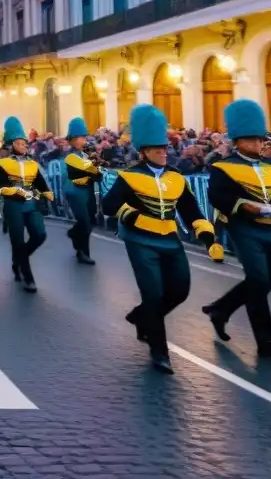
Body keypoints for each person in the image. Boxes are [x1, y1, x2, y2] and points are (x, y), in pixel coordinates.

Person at [101, 105, 216, 374]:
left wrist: (206, 234)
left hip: (170, 239)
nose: (164, 152)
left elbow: (190, 210)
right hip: (140, 241)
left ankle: (142, 317)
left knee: (180, 290)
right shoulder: (129, 176)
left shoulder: (176, 176)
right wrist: (129, 215)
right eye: (157, 149)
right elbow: (108, 206)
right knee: (152, 294)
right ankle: (159, 350)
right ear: (143, 151)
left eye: (164, 148)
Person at [201, 99, 271, 359]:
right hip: (243, 228)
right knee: (259, 279)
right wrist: (246, 207)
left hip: (270, 229)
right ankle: (266, 342)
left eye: (260, 140)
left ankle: (220, 309)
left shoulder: (270, 170)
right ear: (237, 142)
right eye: (251, 140)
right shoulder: (222, 167)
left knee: (268, 280)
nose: (257, 145)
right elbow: (217, 197)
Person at [0, 117, 53, 292]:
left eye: (24, 143)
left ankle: (18, 259)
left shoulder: (33, 164)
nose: (23, 145)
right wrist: (10, 190)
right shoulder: (3, 164)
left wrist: (47, 196)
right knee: (17, 241)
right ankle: (27, 277)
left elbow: (41, 184)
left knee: (40, 235)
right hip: (13, 206)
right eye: (19, 143)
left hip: (31, 204)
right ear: (11, 146)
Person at [63, 117, 100, 265]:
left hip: (88, 190)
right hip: (75, 191)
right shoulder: (71, 156)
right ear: (72, 140)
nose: (83, 140)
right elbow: (91, 172)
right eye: (80, 138)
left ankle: (74, 234)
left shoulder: (84, 155)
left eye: (84, 137)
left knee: (91, 221)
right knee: (85, 222)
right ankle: (83, 253)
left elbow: (95, 173)